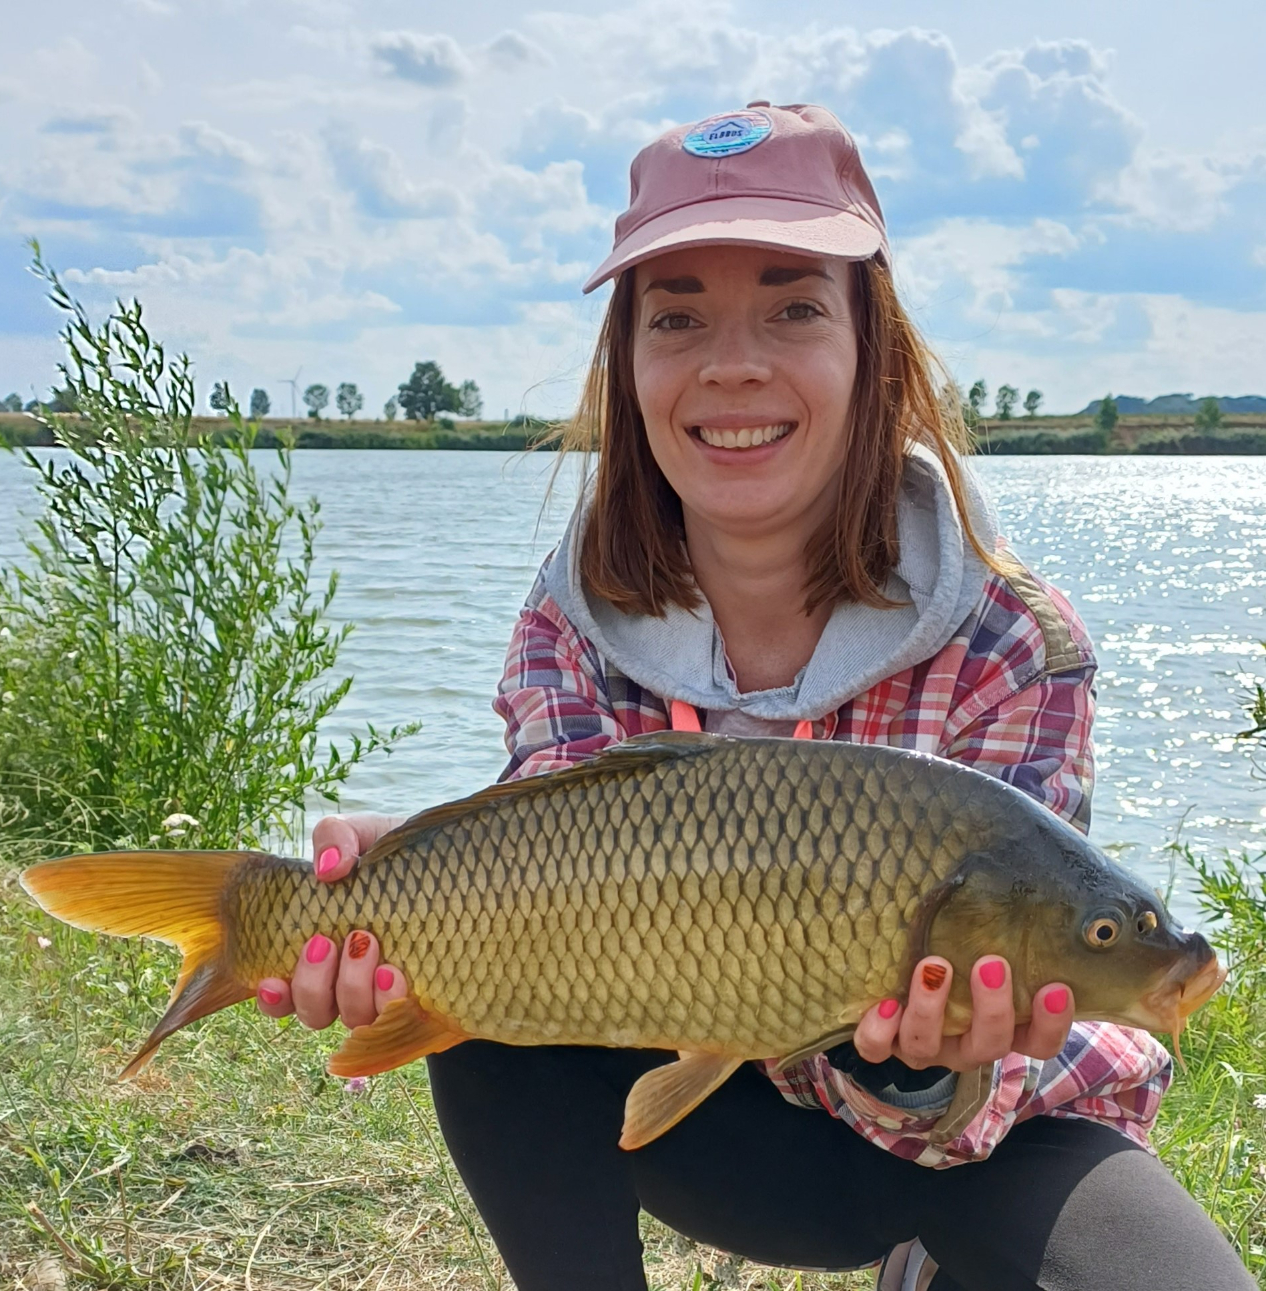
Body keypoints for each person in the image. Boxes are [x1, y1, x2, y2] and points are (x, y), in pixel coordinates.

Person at [253, 104, 1253, 1291]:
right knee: (492, 1013)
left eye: (792, 307)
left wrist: (920, 1064)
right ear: (627, 367)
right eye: (677, 317)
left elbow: (1033, 991)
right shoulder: (568, 622)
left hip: (983, 1143)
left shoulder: (1014, 643)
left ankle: (926, 1263)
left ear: (869, 349)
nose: (733, 362)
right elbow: (544, 832)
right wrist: (410, 872)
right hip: (697, 1115)